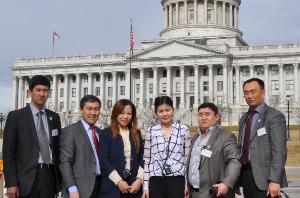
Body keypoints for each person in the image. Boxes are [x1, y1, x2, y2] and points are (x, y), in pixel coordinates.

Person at [3, 75, 62, 198]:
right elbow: (8, 153)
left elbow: (57, 149)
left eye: (45, 91)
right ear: (30, 92)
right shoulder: (16, 117)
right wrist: (11, 183)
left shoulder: (54, 117)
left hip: (49, 177)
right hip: (24, 179)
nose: (42, 94)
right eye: (38, 90)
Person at [238, 78, 287, 198]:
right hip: (246, 175)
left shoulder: (274, 116)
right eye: (246, 93)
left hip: (265, 179)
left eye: (253, 91)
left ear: (263, 92)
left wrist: (274, 180)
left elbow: (279, 151)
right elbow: (241, 148)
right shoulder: (244, 118)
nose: (249, 96)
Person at [186, 102, 241, 198]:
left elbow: (234, 162)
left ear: (216, 117)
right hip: (193, 193)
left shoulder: (226, 137)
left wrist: (226, 184)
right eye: (200, 114)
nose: (203, 118)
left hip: (214, 192)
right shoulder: (194, 138)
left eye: (207, 114)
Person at [142, 96, 190, 198]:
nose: (164, 114)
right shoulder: (151, 131)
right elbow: (147, 160)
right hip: (156, 180)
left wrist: (186, 183)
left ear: (173, 110)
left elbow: (187, 159)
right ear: (156, 113)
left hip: (177, 179)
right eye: (161, 111)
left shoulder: (183, 130)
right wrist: (146, 186)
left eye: (167, 110)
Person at [99, 99, 144, 198]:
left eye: (129, 113)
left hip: (133, 187)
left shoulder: (136, 133)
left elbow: (142, 158)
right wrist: (118, 181)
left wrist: (139, 180)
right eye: (122, 113)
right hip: (112, 186)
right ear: (115, 114)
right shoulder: (106, 133)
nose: (125, 117)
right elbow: (103, 160)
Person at [59, 95, 102, 198]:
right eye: (89, 109)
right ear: (81, 110)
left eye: (96, 109)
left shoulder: (100, 132)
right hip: (80, 189)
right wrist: (72, 188)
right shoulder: (70, 131)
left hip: (100, 187)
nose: (93, 113)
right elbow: (65, 162)